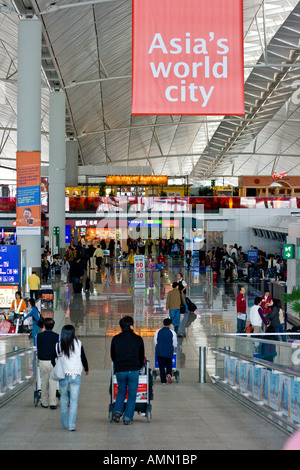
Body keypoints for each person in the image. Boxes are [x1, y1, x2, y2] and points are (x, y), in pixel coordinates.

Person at [52, 325, 89, 431]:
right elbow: (83, 358)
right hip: (75, 375)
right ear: (73, 333)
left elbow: (52, 359)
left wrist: (57, 367)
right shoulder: (78, 344)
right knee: (74, 401)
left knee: (63, 399)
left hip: (63, 376)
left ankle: (64, 423)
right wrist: (86, 369)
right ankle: (71, 425)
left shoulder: (58, 345)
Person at [110, 316, 145, 425]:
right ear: (131, 326)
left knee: (121, 391)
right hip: (133, 370)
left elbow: (113, 355)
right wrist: (138, 366)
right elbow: (141, 356)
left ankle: (117, 411)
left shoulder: (115, 339)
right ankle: (127, 418)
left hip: (120, 369)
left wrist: (118, 364)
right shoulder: (138, 339)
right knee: (132, 394)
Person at [37, 318, 60, 409]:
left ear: (44, 326)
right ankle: (53, 403)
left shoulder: (39, 336)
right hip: (53, 362)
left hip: (43, 361)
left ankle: (44, 402)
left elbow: (38, 347)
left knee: (44, 382)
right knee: (53, 382)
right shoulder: (57, 336)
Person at [154, 318, 177, 385]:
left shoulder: (158, 331)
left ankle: (163, 381)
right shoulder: (172, 332)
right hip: (168, 351)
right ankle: (169, 373)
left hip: (160, 352)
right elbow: (174, 344)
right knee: (169, 364)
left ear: (163, 323)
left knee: (161, 367)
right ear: (170, 324)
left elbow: (156, 342)